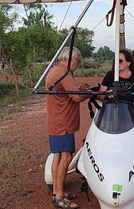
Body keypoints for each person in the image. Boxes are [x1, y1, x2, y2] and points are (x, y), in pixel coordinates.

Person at [46, 47, 92, 209]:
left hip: (56, 120)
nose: (77, 65)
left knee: (58, 156)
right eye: (78, 62)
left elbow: (67, 93)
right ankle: (58, 197)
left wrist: (80, 89)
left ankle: (57, 193)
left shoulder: (55, 70)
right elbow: (77, 98)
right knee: (65, 157)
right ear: (71, 58)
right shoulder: (63, 73)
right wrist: (90, 93)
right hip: (63, 122)